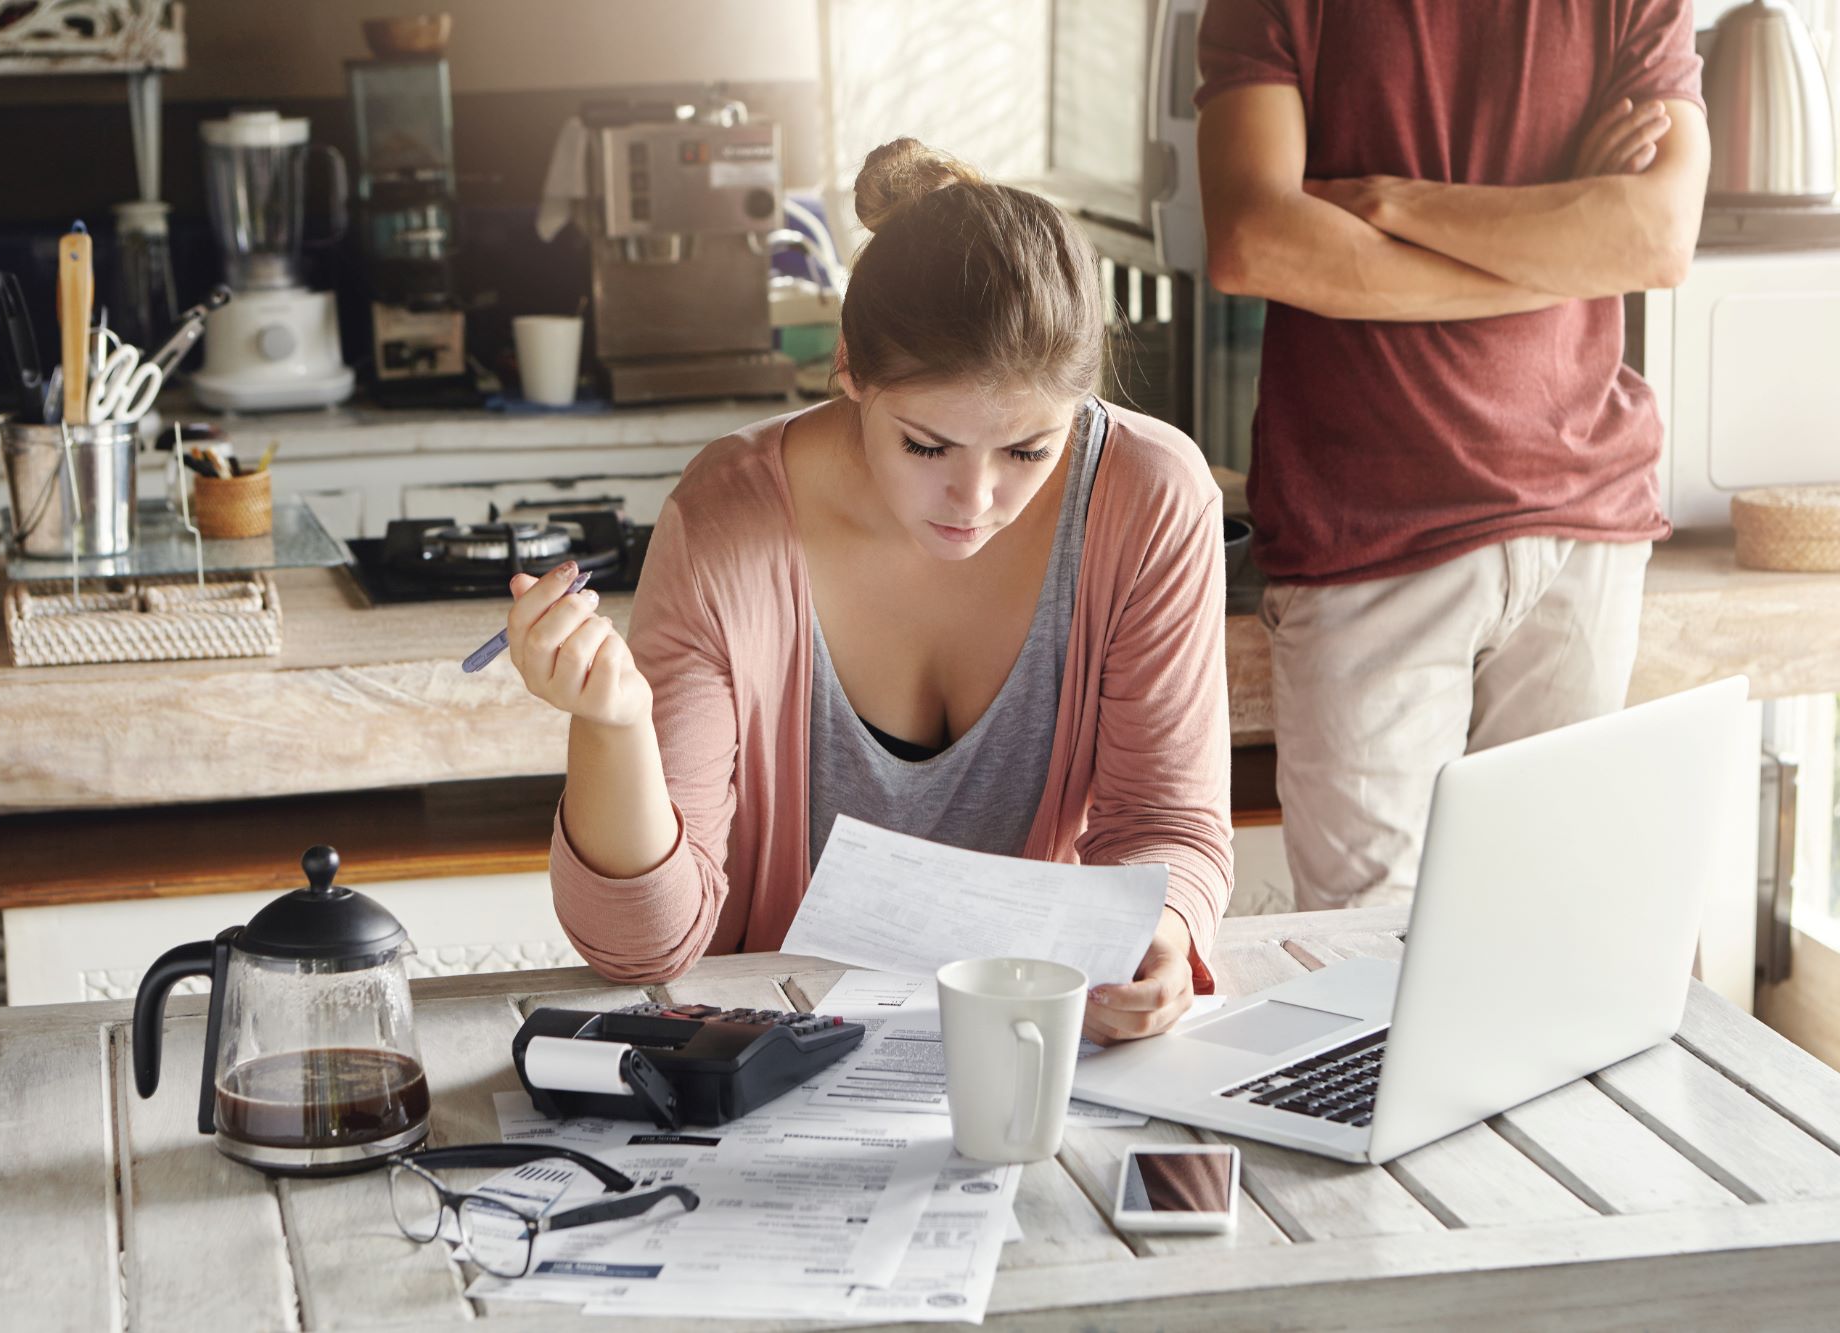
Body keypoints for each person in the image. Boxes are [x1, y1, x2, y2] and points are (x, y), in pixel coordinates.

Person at [506, 138, 1233, 1042]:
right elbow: (641, 949)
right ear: (850, 368)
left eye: (1027, 452)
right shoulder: (727, 521)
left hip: (1035, 1043)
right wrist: (612, 728)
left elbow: (1164, 825)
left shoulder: (1150, 496)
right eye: (926, 446)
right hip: (774, 1061)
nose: (975, 503)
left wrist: (1161, 932)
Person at [1194, 0, 1710, 910]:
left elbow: (1657, 238)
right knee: (1368, 970)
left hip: (1580, 522)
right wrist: (1551, 238)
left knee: (1550, 933)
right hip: (1366, 535)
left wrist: (1394, 207)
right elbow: (1254, 240)